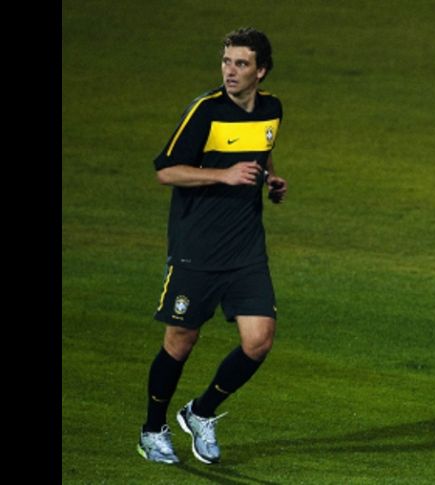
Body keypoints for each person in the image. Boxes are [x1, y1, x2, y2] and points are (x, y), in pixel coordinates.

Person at [136, 27, 288, 465]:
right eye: (226, 62)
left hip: (245, 248)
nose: (231, 71)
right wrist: (221, 175)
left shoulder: (272, 109)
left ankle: (200, 412)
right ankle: (152, 430)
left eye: (241, 64)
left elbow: (262, 151)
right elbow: (166, 171)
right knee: (182, 341)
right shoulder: (205, 112)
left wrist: (269, 177)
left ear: (261, 70)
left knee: (259, 340)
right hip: (196, 247)